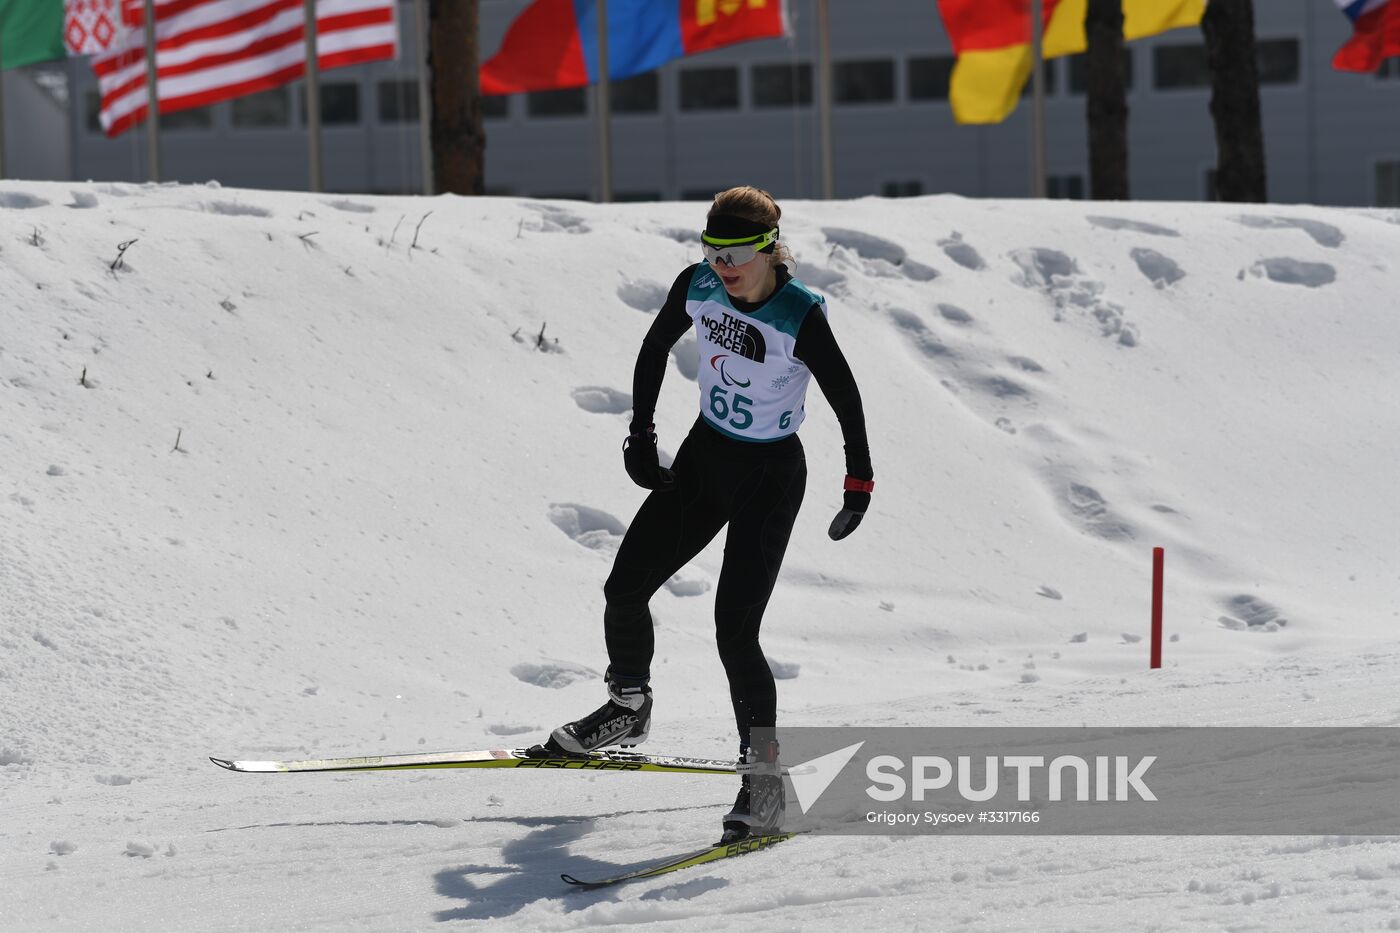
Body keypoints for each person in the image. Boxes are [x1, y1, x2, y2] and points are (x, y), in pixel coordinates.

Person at [540, 186, 873, 842]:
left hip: (769, 478)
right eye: (712, 249)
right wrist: (640, 432)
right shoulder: (698, 285)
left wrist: (857, 482)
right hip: (704, 461)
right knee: (624, 587)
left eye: (738, 252)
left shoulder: (798, 313)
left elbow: (846, 397)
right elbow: (653, 346)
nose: (723, 264)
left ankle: (767, 781)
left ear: (771, 250)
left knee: (733, 632)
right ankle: (628, 704)